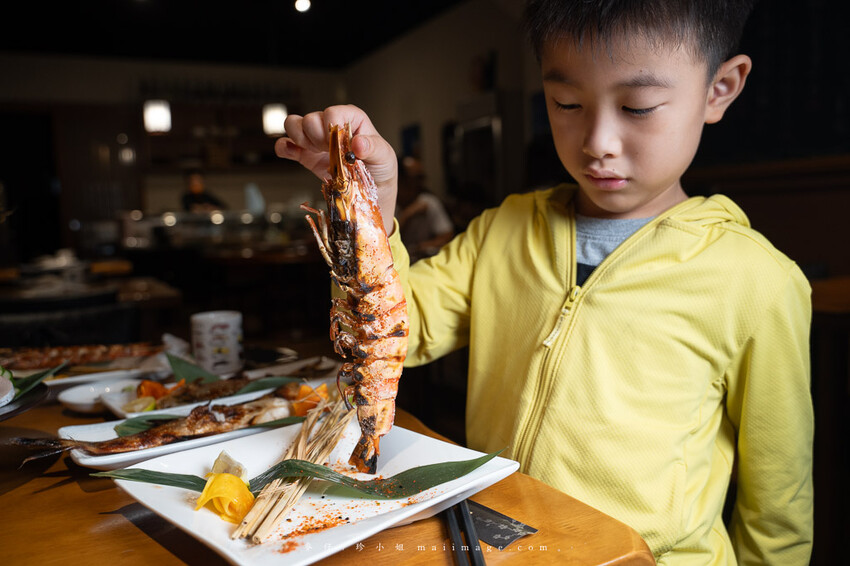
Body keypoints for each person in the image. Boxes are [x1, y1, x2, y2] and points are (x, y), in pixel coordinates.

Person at [274, 1, 813, 563]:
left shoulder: (758, 282)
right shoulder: (503, 230)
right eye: (567, 103)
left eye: (638, 106)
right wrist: (372, 205)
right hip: (494, 545)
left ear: (720, 89)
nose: (598, 141)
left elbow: (779, 501)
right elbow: (394, 339)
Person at [395, 155, 455, 261]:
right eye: (417, 177)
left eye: (422, 177)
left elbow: (447, 236)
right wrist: (407, 214)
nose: (421, 182)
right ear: (400, 179)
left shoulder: (428, 202)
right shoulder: (386, 203)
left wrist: (421, 247)